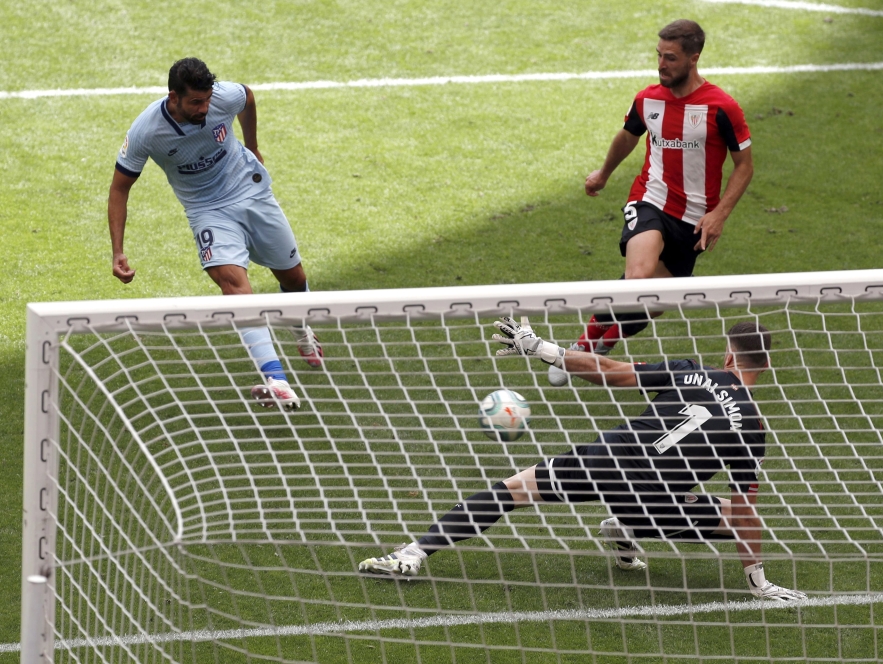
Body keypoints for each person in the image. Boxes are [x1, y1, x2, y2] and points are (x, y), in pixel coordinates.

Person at [358, 317, 806, 602]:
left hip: (607, 455)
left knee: (512, 491)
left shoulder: (692, 371)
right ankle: (627, 526)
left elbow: (610, 371)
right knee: (731, 513)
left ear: (727, 356)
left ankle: (412, 554)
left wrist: (542, 349)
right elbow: (745, 513)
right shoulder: (753, 427)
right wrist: (758, 581)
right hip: (649, 497)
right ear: (764, 367)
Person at [108, 57, 321, 410]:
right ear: (173, 97)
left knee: (293, 278)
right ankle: (277, 380)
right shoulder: (147, 131)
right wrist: (117, 250)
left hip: (250, 190)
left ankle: (302, 331)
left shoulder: (222, 97)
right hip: (207, 211)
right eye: (195, 102)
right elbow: (119, 189)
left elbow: (247, 97)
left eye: (207, 100)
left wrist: (252, 144)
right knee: (233, 286)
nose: (204, 109)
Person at [550, 19, 754, 387]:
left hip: (694, 220)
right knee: (638, 277)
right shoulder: (647, 99)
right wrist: (603, 174)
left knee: (655, 302)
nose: (661, 64)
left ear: (694, 58)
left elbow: (745, 166)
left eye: (670, 58)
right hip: (650, 200)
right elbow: (628, 136)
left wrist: (719, 214)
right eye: (659, 55)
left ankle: (606, 339)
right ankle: (583, 345)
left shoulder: (722, 107)